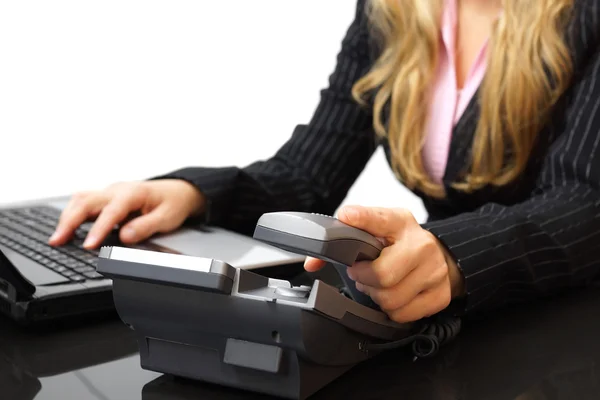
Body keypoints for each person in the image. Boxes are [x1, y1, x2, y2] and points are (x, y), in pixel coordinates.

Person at [49, 0, 600, 324]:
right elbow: (308, 174)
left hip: (563, 319)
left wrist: (453, 254)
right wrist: (193, 193)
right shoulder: (392, 11)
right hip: (442, 321)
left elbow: (585, 202)